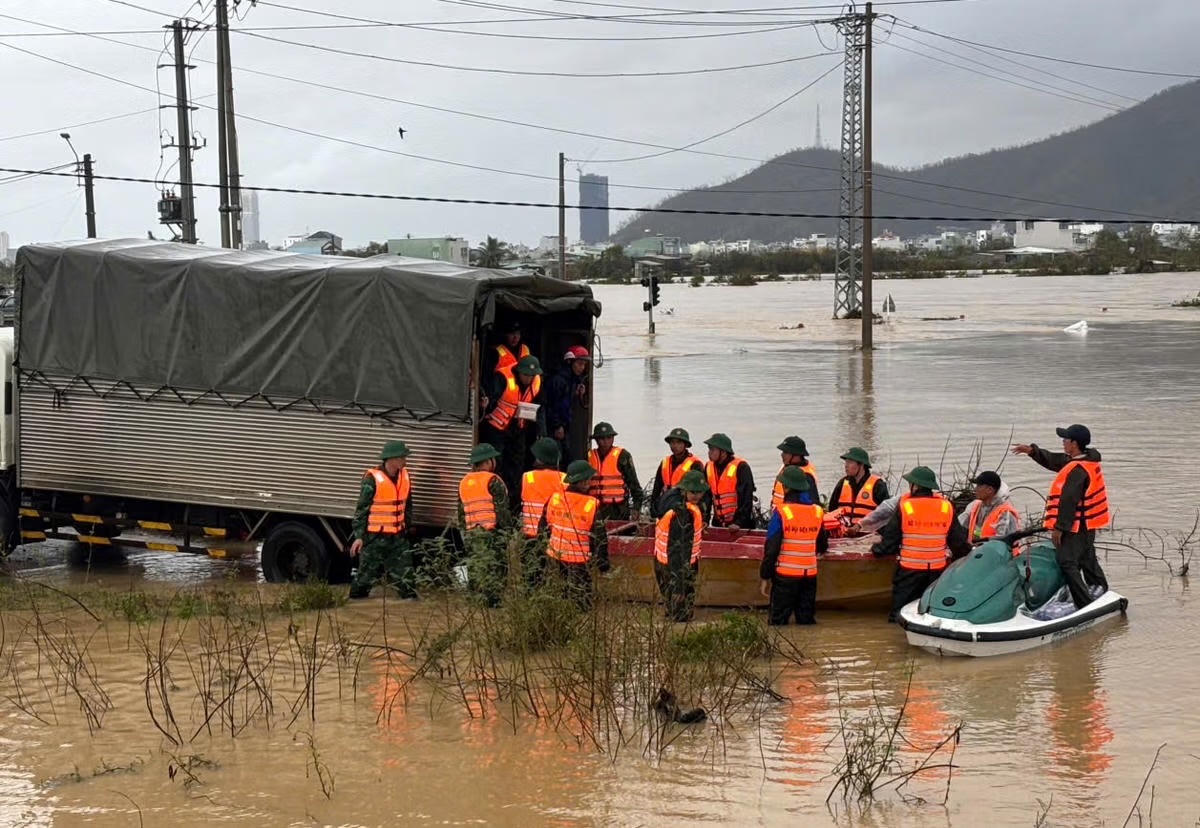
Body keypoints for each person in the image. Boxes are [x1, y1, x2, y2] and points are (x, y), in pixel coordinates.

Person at [1012, 424, 1110, 609]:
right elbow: (1055, 460)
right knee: (1087, 557)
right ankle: (1100, 588)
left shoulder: (1077, 470)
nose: (1063, 443)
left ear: (1074, 444)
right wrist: (1033, 451)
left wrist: (1060, 528)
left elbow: (1068, 501)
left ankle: (1084, 603)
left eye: (1065, 440)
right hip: (1087, 524)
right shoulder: (1085, 461)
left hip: (1075, 526)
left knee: (1067, 562)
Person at [873, 466, 971, 621]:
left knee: (899, 615)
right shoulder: (946, 507)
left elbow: (891, 541)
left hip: (909, 571)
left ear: (916, 486)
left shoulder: (905, 506)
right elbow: (958, 543)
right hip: (937, 572)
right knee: (931, 613)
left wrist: (877, 550)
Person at [760, 466, 829, 625]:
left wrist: (765, 576)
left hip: (785, 577)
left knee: (777, 624)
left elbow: (772, 549)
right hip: (809, 577)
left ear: (787, 487)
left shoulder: (782, 513)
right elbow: (822, 545)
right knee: (806, 622)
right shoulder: (817, 512)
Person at [349, 440, 417, 600]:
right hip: (375, 538)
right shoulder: (372, 479)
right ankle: (354, 603)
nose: (405, 460)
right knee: (364, 580)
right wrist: (359, 536)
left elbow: (408, 505)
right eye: (402, 457)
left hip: (398, 537)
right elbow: (361, 510)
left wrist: (408, 526)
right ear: (391, 459)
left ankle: (411, 602)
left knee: (407, 581)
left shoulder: (404, 476)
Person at [543, 460, 610, 603]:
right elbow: (599, 538)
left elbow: (543, 528)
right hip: (578, 562)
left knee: (557, 597)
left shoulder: (554, 499)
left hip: (554, 557)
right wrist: (602, 564)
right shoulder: (590, 505)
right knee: (582, 602)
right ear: (584, 482)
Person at [483, 354, 546, 500]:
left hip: (518, 430)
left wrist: (541, 431)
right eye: (526, 375)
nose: (529, 379)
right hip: (496, 429)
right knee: (496, 465)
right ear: (518, 371)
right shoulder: (502, 378)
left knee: (517, 465)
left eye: (532, 375)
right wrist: (485, 406)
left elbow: (541, 408)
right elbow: (490, 398)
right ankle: (496, 498)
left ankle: (513, 501)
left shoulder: (536, 383)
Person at [459, 443, 511, 606]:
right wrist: (507, 533)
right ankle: (493, 605)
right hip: (492, 534)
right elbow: (502, 510)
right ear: (488, 462)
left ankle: (473, 600)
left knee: (475, 567)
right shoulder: (493, 481)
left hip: (471, 533)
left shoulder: (464, 482)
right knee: (496, 569)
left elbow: (461, 513)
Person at [654, 470, 707, 622]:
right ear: (684, 490)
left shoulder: (669, 497)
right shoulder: (683, 514)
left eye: (700, 492)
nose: (697, 496)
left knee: (671, 611)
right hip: (677, 568)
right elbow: (679, 549)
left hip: (661, 561)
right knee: (681, 615)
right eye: (693, 492)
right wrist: (679, 586)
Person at [586, 422, 643, 522]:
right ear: (596, 440)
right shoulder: (588, 456)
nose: (605, 441)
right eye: (602, 439)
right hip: (594, 507)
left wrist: (636, 508)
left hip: (617, 510)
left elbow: (634, 485)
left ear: (613, 438)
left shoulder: (623, 456)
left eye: (609, 438)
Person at [546, 345, 590, 466]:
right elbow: (552, 405)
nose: (582, 367)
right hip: (555, 427)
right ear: (570, 362)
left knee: (566, 456)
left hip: (564, 426)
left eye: (584, 364)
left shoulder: (572, 379)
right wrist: (557, 426)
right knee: (557, 458)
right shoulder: (559, 381)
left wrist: (577, 393)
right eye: (580, 363)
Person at [704, 433, 756, 529]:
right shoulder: (708, 467)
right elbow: (706, 498)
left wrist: (739, 523)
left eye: (712, 449)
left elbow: (746, 498)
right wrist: (705, 520)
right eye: (709, 449)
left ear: (723, 452)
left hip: (739, 524)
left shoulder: (741, 467)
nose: (709, 452)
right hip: (718, 523)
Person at [650, 427, 702, 519]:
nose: (675, 446)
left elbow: (701, 493)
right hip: (665, 508)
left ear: (685, 445)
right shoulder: (665, 463)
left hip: (685, 511)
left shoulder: (695, 464)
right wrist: (653, 508)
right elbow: (657, 488)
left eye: (678, 443)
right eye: (672, 442)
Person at [958, 470, 1020, 546]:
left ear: (990, 490)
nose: (975, 489)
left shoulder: (1005, 513)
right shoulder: (975, 507)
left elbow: (1004, 545)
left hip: (996, 555)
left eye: (979, 486)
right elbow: (958, 529)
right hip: (977, 554)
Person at [829, 447, 889, 525]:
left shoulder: (877, 485)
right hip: (843, 534)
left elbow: (886, 514)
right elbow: (831, 510)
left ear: (861, 465)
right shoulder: (842, 483)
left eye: (850, 462)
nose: (846, 466)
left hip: (869, 534)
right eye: (846, 462)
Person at [520, 438, 565, 539]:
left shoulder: (527, 477)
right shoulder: (564, 479)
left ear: (539, 458)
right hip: (555, 536)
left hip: (529, 535)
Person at [770, 436, 819, 513]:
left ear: (796, 455)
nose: (782, 455)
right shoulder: (787, 467)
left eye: (785, 452)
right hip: (779, 516)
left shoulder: (804, 476)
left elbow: (811, 504)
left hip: (789, 520)